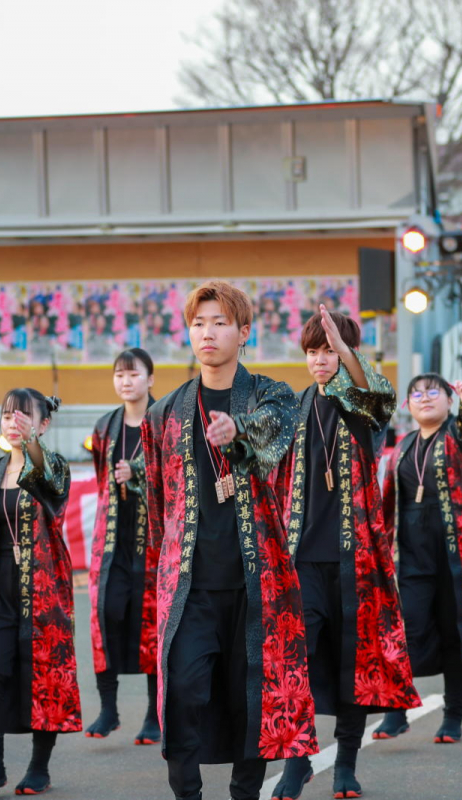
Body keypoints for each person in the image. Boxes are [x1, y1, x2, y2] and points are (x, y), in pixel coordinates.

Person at [142, 280, 316, 800]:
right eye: (198, 323)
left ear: (244, 332)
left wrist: (236, 431)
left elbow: (274, 433)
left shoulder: (272, 393)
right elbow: (159, 501)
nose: (207, 332)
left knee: (251, 702)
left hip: (253, 583)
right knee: (183, 696)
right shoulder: (165, 412)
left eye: (220, 322)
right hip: (188, 586)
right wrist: (163, 570)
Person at [273, 307, 418, 800]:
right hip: (302, 560)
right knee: (299, 660)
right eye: (313, 352)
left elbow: (381, 395)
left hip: (356, 557)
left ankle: (345, 765)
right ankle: (297, 763)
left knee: (351, 661)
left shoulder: (361, 407)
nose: (320, 361)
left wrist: (346, 350)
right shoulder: (293, 408)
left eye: (328, 351)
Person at [377, 373, 462, 744]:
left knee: (456, 635)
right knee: (406, 631)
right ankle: (396, 710)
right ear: (407, 406)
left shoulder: (458, 438)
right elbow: (387, 506)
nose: (424, 398)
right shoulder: (401, 447)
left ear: (449, 401)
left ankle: (453, 716)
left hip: (457, 557)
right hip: (413, 558)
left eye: (434, 391)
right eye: (416, 393)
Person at [0, 389, 80, 798]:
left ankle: (38, 767)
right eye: (6, 415)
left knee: (43, 677)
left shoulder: (55, 467)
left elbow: (50, 483)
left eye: (24, 416)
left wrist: (32, 443)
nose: (12, 421)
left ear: (43, 424)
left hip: (43, 593)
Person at [85, 349, 160, 745]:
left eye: (133, 374)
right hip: (112, 540)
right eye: (119, 375)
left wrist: (139, 473)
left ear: (150, 380)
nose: (125, 381)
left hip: (150, 541)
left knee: (151, 622)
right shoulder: (104, 427)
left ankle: (154, 715)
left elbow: (172, 475)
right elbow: (101, 481)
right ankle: (108, 709)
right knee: (105, 614)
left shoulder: (163, 423)